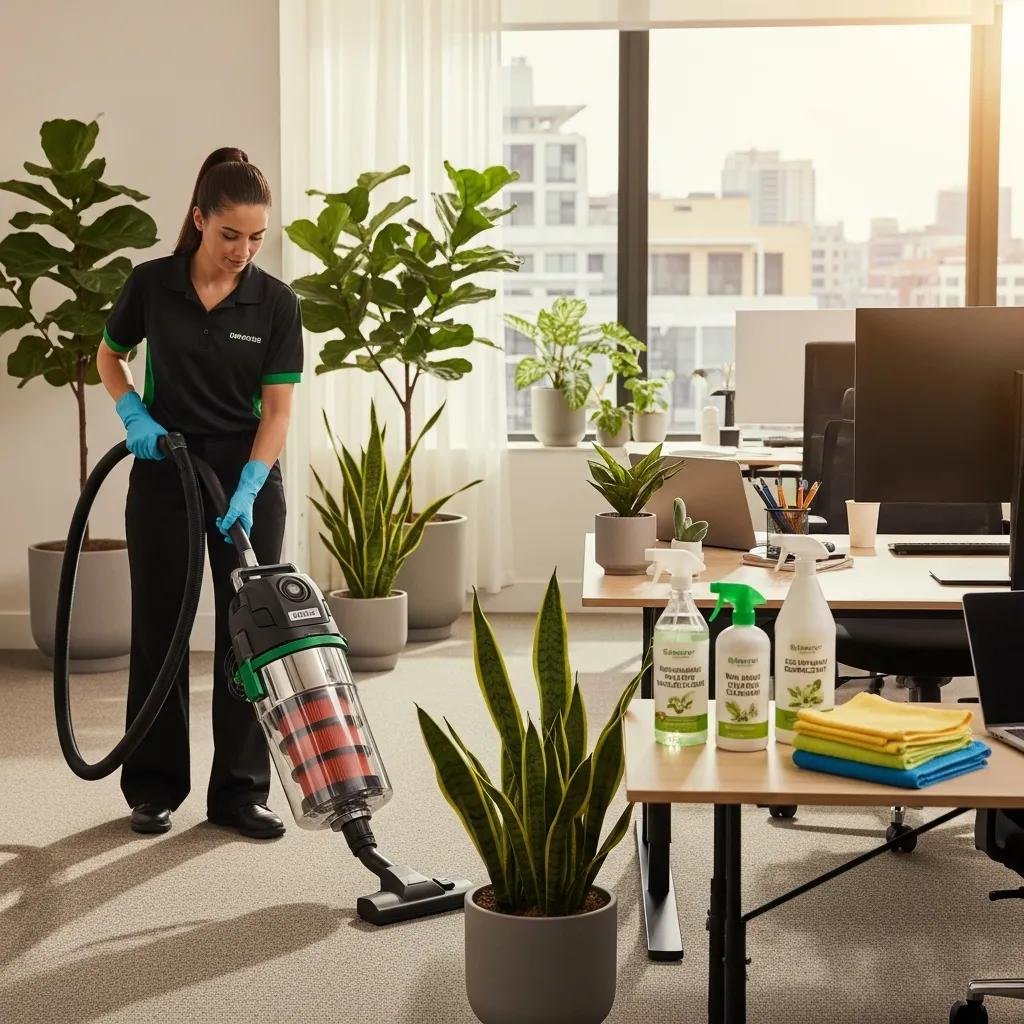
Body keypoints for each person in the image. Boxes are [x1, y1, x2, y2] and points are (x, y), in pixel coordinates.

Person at [96, 147, 303, 839]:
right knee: (161, 626)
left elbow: (278, 412)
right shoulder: (152, 284)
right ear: (198, 220)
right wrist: (133, 413)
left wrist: (251, 484)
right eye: (230, 234)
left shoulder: (276, 302)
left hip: (245, 474)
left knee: (249, 634)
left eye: (256, 237)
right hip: (166, 468)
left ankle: (241, 794)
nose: (243, 250)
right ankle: (154, 786)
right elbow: (109, 354)